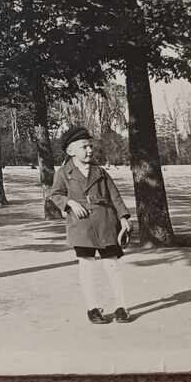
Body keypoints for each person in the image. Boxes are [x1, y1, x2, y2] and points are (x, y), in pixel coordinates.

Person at [48, 126, 133, 325]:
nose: (90, 150)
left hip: (106, 223)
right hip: (81, 226)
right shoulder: (63, 172)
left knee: (111, 265)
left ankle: (121, 307)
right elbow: (55, 194)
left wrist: (123, 217)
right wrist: (69, 202)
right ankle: (92, 308)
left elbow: (115, 196)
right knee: (86, 267)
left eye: (90, 146)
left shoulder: (100, 172)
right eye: (84, 147)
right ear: (70, 151)